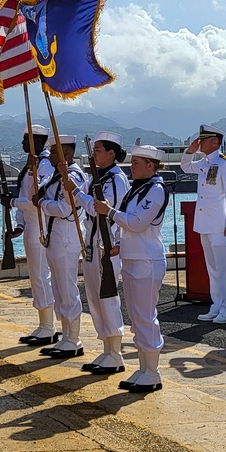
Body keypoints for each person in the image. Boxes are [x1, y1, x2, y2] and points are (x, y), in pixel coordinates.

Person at [94, 145, 169, 393]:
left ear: (151, 166)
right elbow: (127, 226)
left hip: (147, 260)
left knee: (146, 316)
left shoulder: (155, 190)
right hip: (132, 257)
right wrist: (117, 244)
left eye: (137, 163)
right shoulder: (137, 189)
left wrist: (109, 211)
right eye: (132, 162)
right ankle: (144, 368)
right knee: (136, 318)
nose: (132, 166)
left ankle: (153, 371)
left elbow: (137, 223)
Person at [70, 131, 130, 375]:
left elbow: (99, 210)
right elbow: (81, 203)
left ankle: (115, 352)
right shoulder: (97, 177)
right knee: (94, 299)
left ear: (111, 153)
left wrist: (76, 192)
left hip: (108, 245)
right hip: (93, 243)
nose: (93, 154)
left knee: (107, 298)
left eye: (97, 150)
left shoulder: (116, 179)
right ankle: (106, 349)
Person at [33, 134, 86, 359]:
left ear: (67, 154)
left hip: (66, 238)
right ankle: (65, 337)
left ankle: (73, 339)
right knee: (58, 289)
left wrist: (42, 204)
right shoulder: (57, 175)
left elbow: (66, 209)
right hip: (55, 238)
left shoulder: (73, 176)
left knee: (67, 290)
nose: (50, 155)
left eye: (54, 152)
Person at [180, 125, 226, 324]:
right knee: (212, 268)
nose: (201, 143)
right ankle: (217, 304)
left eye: (204, 140)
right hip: (205, 223)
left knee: (224, 269)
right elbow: (185, 167)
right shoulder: (204, 163)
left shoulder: (225, 164)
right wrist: (190, 150)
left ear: (215, 142)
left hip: (219, 224)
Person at [5, 124, 56, 346]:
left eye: (26, 139)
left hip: (42, 226)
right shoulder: (29, 166)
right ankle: (43, 323)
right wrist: (19, 224)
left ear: (37, 141)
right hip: (31, 226)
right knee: (35, 277)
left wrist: (13, 202)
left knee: (41, 276)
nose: (23, 144)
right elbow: (23, 194)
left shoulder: (44, 166)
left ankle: (49, 327)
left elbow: (37, 200)